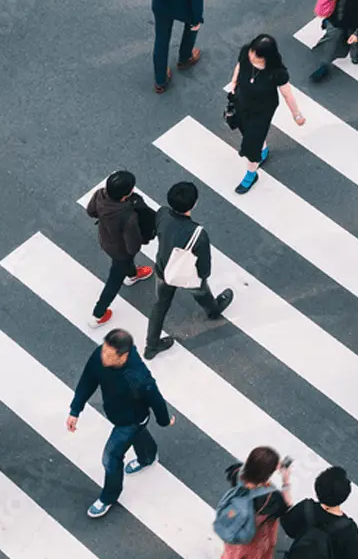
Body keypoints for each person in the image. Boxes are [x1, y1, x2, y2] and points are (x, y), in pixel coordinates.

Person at [67, 329, 175, 518]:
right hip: (118, 414)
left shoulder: (136, 376)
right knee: (138, 435)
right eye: (104, 350)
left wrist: (164, 420)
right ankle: (148, 457)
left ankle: (108, 497)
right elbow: (88, 380)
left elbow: (155, 397)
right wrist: (75, 410)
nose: (103, 356)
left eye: (109, 354)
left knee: (111, 457)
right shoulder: (100, 355)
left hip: (131, 421)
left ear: (123, 356)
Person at [145, 182, 234, 360]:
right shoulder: (198, 233)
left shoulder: (162, 213)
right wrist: (203, 276)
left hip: (164, 269)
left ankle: (151, 345)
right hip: (188, 275)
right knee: (202, 294)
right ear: (194, 204)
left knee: (160, 305)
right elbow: (204, 263)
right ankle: (213, 311)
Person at [228, 35, 305, 193]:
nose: (252, 56)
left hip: (261, 111)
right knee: (244, 129)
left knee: (251, 147)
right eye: (252, 51)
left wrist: (296, 115)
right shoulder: (246, 53)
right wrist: (234, 83)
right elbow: (240, 66)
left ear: (266, 56)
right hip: (241, 102)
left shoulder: (277, 72)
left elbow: (287, 94)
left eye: (256, 55)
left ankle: (251, 174)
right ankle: (262, 148)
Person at [217, 447, 292, 559]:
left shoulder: (238, 473)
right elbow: (288, 509)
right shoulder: (270, 497)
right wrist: (286, 481)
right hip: (252, 537)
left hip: (233, 528)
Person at [86, 170, 153, 328]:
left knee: (124, 264)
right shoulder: (128, 216)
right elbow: (132, 245)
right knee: (114, 280)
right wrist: (133, 250)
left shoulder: (100, 195)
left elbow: (91, 211)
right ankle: (98, 313)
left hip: (106, 239)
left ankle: (132, 274)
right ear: (125, 195)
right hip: (120, 251)